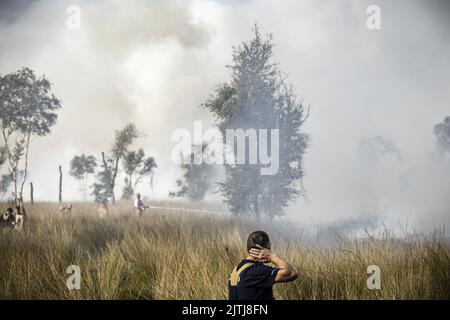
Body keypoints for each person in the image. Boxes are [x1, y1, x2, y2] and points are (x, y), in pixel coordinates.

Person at [228, 230, 298, 300]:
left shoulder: (236, 269)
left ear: (247, 248)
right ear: (267, 248)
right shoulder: (257, 271)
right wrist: (271, 256)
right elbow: (292, 273)